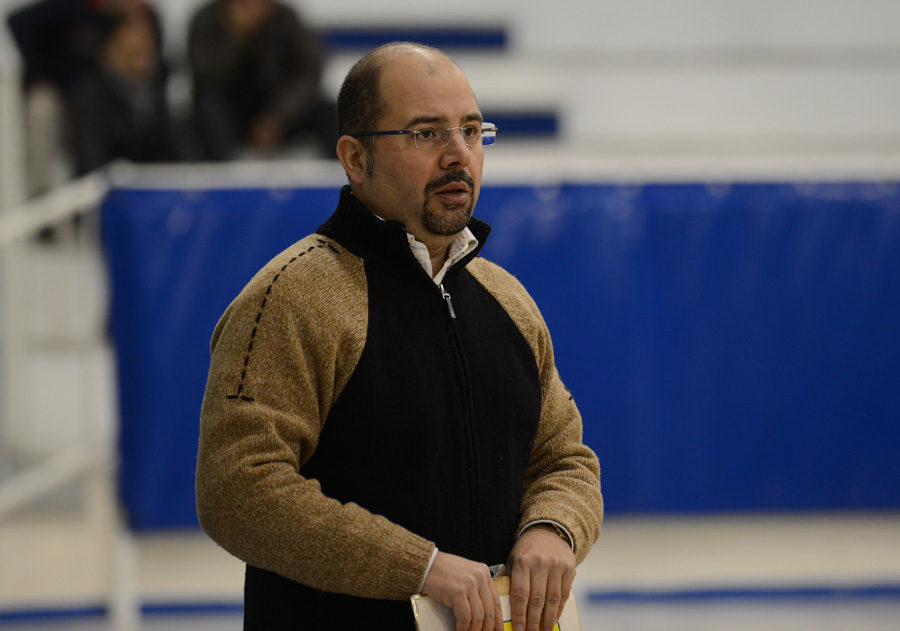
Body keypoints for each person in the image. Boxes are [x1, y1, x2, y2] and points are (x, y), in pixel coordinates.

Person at [196, 42, 603, 631]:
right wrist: (422, 567)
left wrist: (553, 527)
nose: (458, 155)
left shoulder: (508, 299)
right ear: (355, 158)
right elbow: (237, 490)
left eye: (470, 129)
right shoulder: (290, 296)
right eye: (425, 134)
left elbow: (565, 458)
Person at [6, 0, 163, 193]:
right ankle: (40, 195)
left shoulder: (139, 15)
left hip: (103, 95)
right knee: (43, 108)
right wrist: (43, 72)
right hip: (63, 95)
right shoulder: (69, 7)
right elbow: (18, 23)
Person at [187, 0, 336, 160]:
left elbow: (309, 72)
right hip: (231, 110)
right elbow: (204, 75)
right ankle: (220, 175)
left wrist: (277, 117)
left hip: (279, 109)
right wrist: (236, 34)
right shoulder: (207, 20)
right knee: (207, 108)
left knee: (332, 114)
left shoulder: (285, 18)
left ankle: (343, 175)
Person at [68, 14, 189, 175]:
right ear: (110, 52)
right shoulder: (89, 97)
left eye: (148, 51)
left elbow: (183, 153)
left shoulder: (161, 93)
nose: (143, 62)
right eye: (134, 53)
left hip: (157, 190)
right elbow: (91, 161)